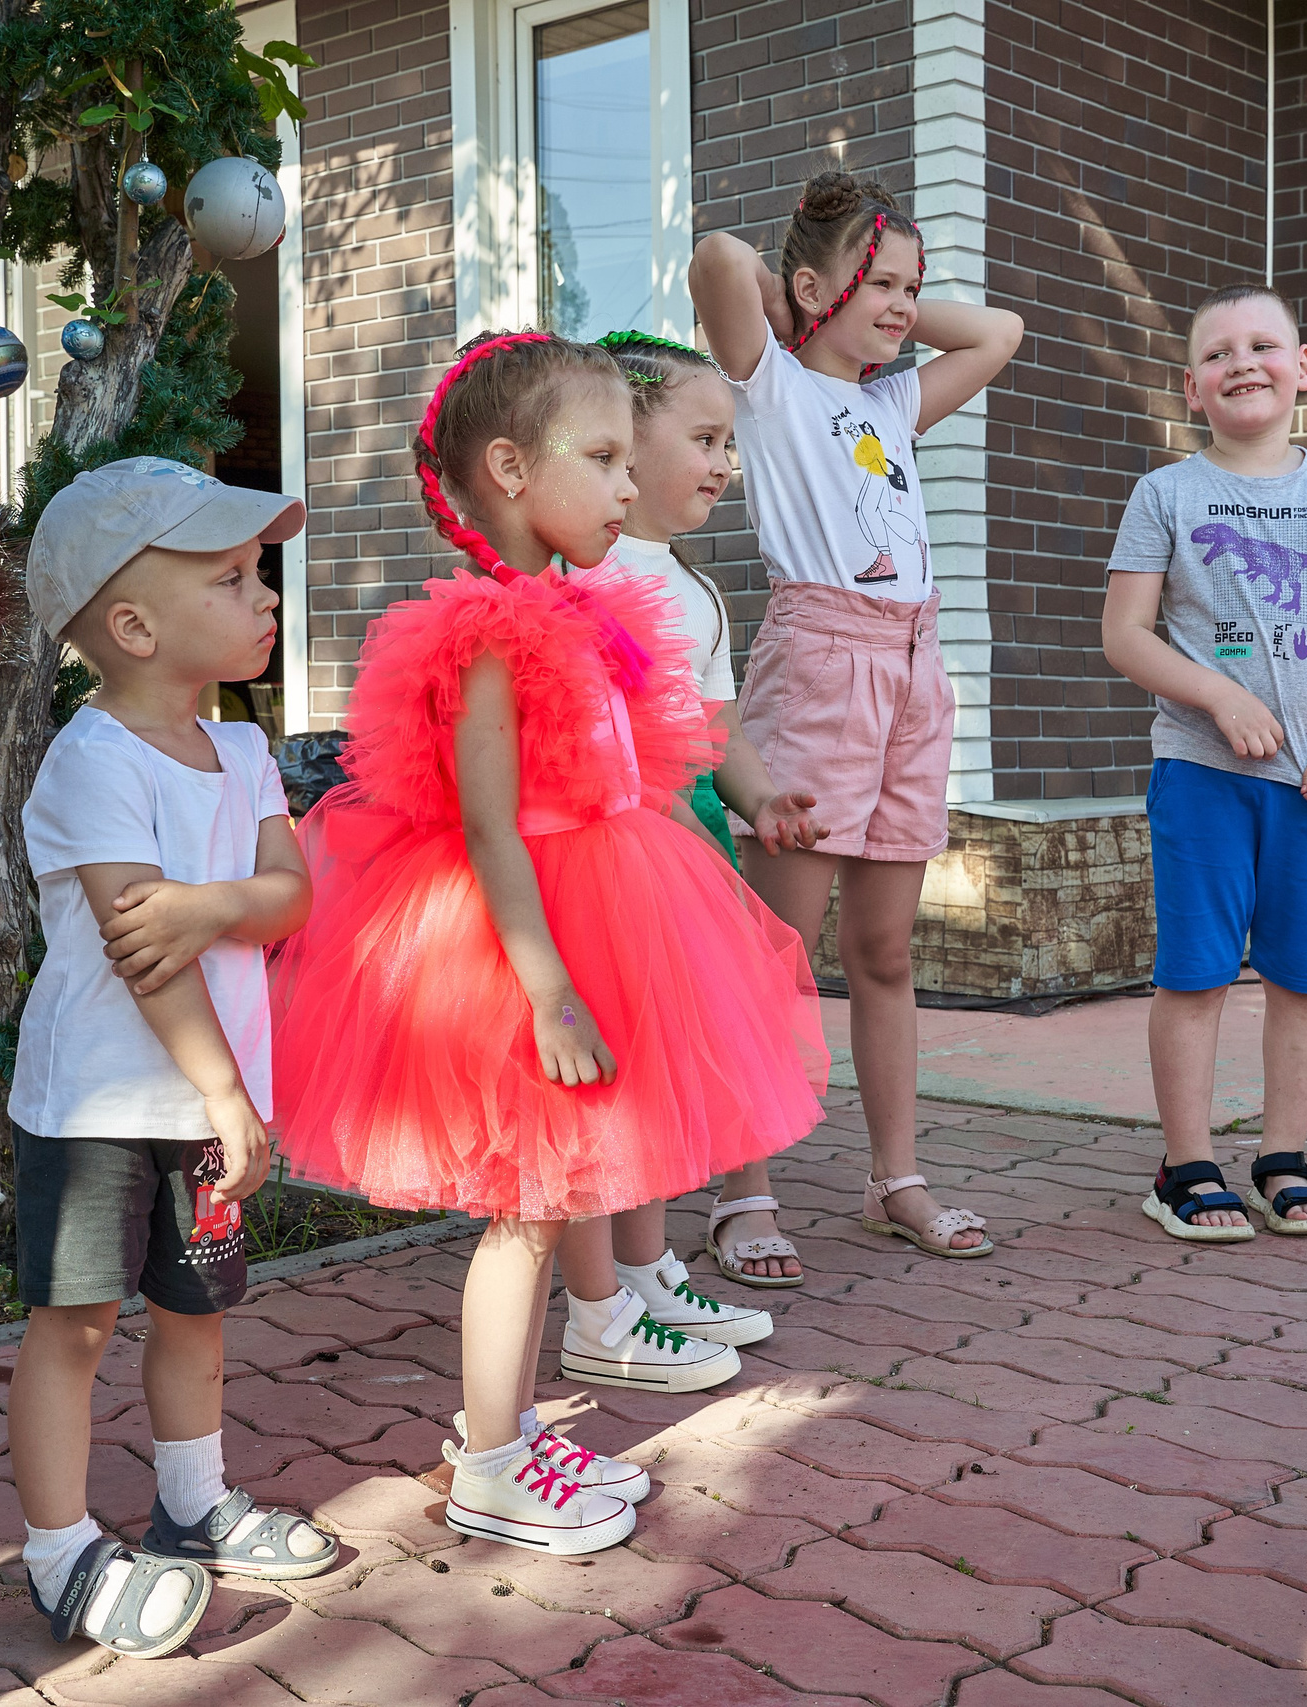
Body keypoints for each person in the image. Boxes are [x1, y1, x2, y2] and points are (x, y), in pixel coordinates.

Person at [268, 332, 828, 1554]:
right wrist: (549, 992)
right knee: (522, 1208)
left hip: (605, 904)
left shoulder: (574, 612)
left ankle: (513, 1426)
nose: (629, 486)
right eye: (604, 458)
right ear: (512, 470)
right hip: (522, 946)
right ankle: (491, 1462)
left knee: (552, 1193)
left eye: (632, 460)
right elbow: (488, 829)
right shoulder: (483, 635)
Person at [5, 457, 335, 1659]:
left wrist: (214, 905)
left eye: (260, 573)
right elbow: (145, 952)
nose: (266, 596)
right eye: (233, 578)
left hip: (207, 1103)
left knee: (196, 1310)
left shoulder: (241, 749)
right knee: (78, 1323)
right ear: (135, 627)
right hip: (102, 1103)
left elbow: (291, 896)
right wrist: (225, 1091)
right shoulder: (95, 759)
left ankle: (192, 1505)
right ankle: (59, 1552)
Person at [690, 170, 1024, 1278]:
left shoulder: (893, 403)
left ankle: (895, 1178)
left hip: (914, 671)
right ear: (808, 288)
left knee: (885, 950)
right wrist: (809, 303)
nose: (902, 304)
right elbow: (717, 258)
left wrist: (883, 309)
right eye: (880, 282)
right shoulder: (771, 384)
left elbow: (1000, 333)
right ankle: (743, 1188)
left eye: (912, 287)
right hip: (823, 665)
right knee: (774, 954)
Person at [533, 329, 831, 1348]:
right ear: (625, 436)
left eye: (728, 444)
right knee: (617, 1065)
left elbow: (716, 733)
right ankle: (613, 1284)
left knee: (664, 1066)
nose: (724, 464)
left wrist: (763, 801)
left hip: (685, 851)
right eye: (704, 439)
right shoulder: (580, 569)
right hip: (605, 853)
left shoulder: (698, 592)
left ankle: (646, 1265)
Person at [1098, 285, 1307, 1242]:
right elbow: (1124, 633)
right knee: (1195, 974)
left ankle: (1284, 1155)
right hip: (1204, 777)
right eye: (1218, 353)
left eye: (1263, 345)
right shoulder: (1166, 494)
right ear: (1192, 387)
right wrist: (1218, 696)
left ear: (1302, 367)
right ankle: (1185, 1164)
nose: (1242, 362)